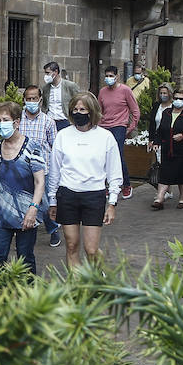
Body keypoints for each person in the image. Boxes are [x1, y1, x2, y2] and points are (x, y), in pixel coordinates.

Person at [46, 91, 122, 267]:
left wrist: (112, 203)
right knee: (72, 245)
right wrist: (52, 200)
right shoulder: (63, 136)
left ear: (92, 112)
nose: (78, 113)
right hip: (67, 195)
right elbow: (55, 170)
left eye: (83, 109)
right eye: (75, 109)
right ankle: (77, 287)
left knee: (91, 250)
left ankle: (100, 279)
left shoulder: (105, 137)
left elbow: (114, 172)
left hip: (94, 196)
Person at [0, 101, 47, 274]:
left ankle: (27, 297)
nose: (1, 124)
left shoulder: (32, 147)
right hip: (2, 215)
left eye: (5, 119)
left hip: (26, 214)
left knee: (25, 257)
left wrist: (33, 209)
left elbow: (39, 182)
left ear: (16, 122)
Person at [18, 84, 62, 248]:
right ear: (24, 100)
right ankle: (23, 233)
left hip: (43, 169)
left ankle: (52, 229)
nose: (31, 102)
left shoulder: (48, 121)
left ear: (40, 100)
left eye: (34, 99)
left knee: (43, 202)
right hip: (22, 168)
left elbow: (54, 146)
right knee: (23, 201)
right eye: (28, 99)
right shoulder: (18, 120)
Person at [97, 64, 140, 200]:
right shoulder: (103, 91)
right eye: (107, 76)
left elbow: (135, 110)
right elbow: (99, 110)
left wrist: (130, 127)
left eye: (111, 76)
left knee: (118, 156)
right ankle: (106, 185)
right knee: (102, 157)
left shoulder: (125, 90)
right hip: (104, 126)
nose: (109, 79)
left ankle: (126, 184)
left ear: (117, 77)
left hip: (119, 126)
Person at [152, 88, 183, 209]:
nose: (178, 101)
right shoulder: (166, 112)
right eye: (176, 98)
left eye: (181, 99)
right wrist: (156, 141)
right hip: (168, 148)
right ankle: (160, 197)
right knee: (165, 173)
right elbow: (160, 130)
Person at [41, 61, 80, 131]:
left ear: (55, 72)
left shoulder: (70, 86)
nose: (46, 76)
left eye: (48, 73)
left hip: (65, 121)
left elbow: (78, 101)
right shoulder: (45, 88)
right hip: (50, 121)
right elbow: (44, 106)